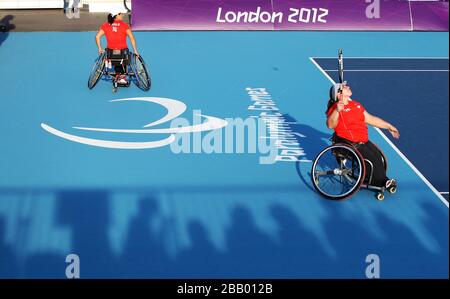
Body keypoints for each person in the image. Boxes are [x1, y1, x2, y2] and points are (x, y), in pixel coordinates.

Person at [326, 82, 400, 189]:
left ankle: (377, 178)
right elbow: (330, 125)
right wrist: (337, 110)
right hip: (349, 143)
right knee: (371, 160)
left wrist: (389, 126)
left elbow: (371, 119)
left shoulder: (356, 105)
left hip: (363, 141)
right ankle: (382, 182)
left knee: (377, 157)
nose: (348, 86)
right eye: (344, 87)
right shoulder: (335, 108)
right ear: (338, 94)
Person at [95, 8, 139, 85]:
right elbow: (132, 38)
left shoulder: (105, 25)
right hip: (123, 53)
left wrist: (99, 48)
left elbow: (97, 37)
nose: (123, 15)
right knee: (125, 57)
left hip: (110, 53)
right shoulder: (125, 25)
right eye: (121, 13)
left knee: (115, 59)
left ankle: (118, 74)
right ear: (116, 15)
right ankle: (122, 76)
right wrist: (135, 50)